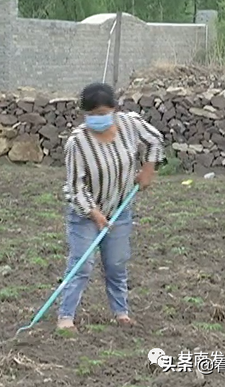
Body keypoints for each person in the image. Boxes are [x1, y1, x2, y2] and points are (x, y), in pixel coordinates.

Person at [57, 82, 164, 331]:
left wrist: (148, 171)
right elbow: (75, 186)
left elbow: (155, 141)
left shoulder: (130, 124)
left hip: (119, 209)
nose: (99, 119)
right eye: (92, 115)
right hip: (85, 213)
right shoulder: (77, 143)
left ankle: (121, 313)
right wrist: (94, 213)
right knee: (82, 264)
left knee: (116, 263)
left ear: (114, 109)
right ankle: (65, 317)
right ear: (84, 115)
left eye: (104, 114)